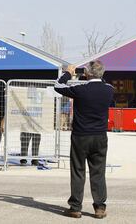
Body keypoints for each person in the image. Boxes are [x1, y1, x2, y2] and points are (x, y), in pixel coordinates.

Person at [54, 60, 114, 219]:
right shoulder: (109, 90)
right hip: (100, 136)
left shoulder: (81, 90)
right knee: (98, 173)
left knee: (78, 171)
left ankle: (75, 207)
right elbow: (101, 82)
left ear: (87, 74)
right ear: (102, 74)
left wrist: (68, 72)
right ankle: (99, 207)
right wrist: (90, 75)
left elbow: (58, 86)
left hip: (81, 136)